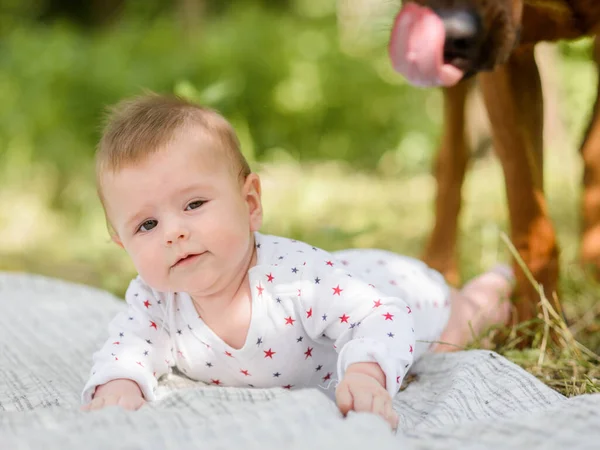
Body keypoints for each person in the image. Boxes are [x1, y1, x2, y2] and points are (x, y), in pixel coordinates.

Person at [81, 93, 513, 429]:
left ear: (250, 203)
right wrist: (119, 382)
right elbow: (128, 346)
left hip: (391, 290)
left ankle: (488, 290)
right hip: (342, 277)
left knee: (459, 328)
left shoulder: (295, 280)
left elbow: (380, 315)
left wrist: (365, 374)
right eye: (147, 225)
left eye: (194, 204)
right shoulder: (156, 299)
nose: (174, 231)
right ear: (122, 243)